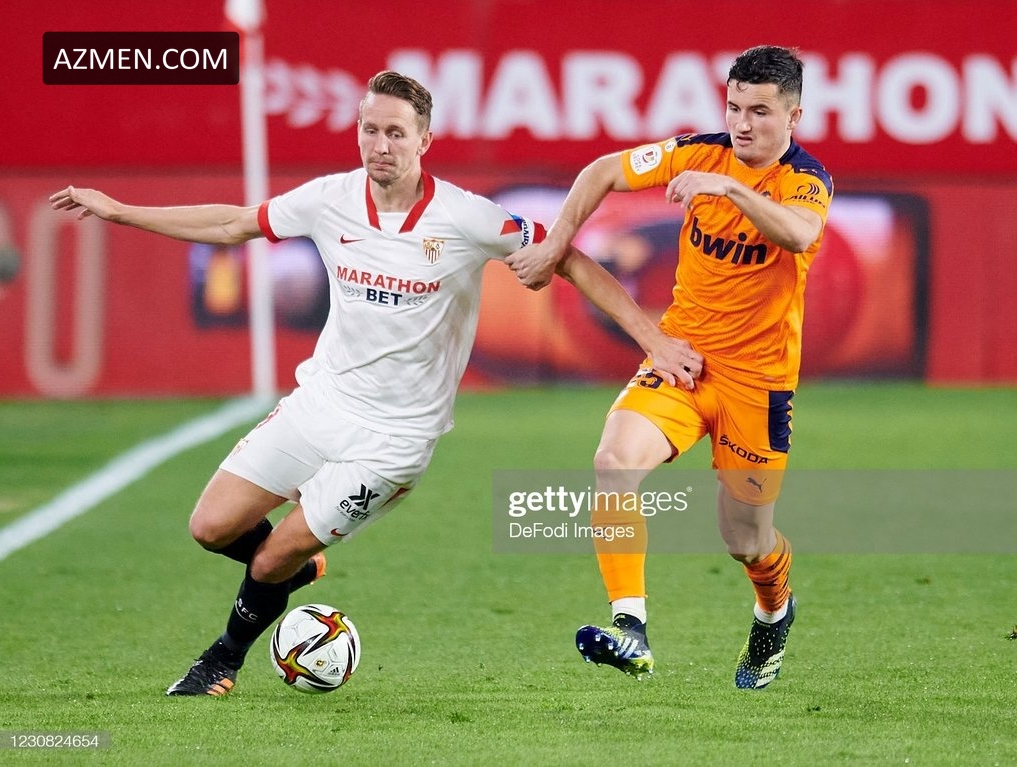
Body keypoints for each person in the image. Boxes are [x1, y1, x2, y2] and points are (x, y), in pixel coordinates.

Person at [50, 71, 703, 696]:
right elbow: (232, 224)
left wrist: (654, 342)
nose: (380, 145)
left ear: (424, 140)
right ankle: (297, 567)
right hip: (320, 403)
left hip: (395, 440)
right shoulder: (330, 200)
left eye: (396, 132)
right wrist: (119, 211)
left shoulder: (467, 218)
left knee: (268, 559)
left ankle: (221, 660)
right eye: (370, 130)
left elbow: (574, 262)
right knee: (210, 526)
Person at [506, 45, 833, 688]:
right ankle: (631, 628)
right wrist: (555, 244)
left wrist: (730, 187)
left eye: (760, 112)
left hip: (759, 383)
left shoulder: (805, 179)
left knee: (745, 539)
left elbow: (798, 234)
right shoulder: (697, 151)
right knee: (613, 460)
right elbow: (602, 170)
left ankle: (774, 613)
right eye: (734, 107)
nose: (741, 124)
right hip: (682, 359)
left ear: (794, 116)